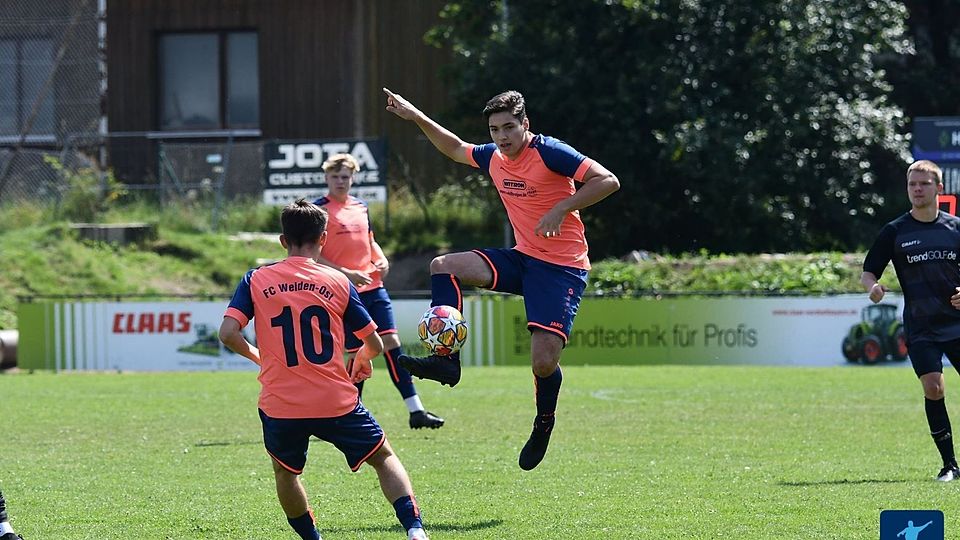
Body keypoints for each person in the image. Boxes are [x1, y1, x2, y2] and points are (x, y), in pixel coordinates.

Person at [383, 88, 620, 470]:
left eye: (509, 127)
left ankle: (544, 422)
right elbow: (456, 148)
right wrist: (416, 116)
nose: (502, 137)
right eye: (495, 130)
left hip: (562, 268)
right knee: (442, 265)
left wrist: (563, 206)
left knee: (543, 363)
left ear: (525, 124)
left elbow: (607, 181)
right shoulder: (494, 157)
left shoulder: (550, 152)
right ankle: (446, 361)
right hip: (523, 258)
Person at [219, 200, 429, 540]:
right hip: (336, 399)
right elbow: (373, 343)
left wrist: (260, 357)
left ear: (282, 241)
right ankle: (415, 530)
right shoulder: (336, 281)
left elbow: (228, 333)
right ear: (324, 239)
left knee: (286, 473)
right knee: (384, 457)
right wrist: (361, 359)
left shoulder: (255, 279)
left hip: (281, 403)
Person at [313, 153, 444, 430]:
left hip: (374, 288)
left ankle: (416, 410)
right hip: (343, 292)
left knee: (391, 344)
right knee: (356, 352)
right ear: (326, 178)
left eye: (345, 176)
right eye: (335, 176)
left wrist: (381, 258)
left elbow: (370, 240)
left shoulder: (361, 206)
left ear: (353, 178)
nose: (340, 181)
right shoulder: (318, 210)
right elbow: (313, 255)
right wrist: (347, 274)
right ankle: (350, 415)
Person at [861, 159, 960, 482]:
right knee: (933, 388)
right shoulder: (896, 231)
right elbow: (868, 271)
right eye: (912, 184)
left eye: (924, 184)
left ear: (939, 189)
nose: (917, 189)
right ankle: (949, 465)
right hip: (921, 326)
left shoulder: (955, 228)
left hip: (958, 323)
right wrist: (873, 289)